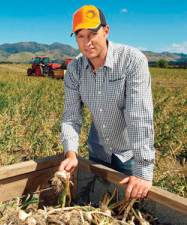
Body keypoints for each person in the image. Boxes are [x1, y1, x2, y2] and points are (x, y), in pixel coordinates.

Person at [59, 5, 155, 199]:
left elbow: (138, 115)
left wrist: (143, 168)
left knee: (127, 204)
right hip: (98, 150)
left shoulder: (132, 61)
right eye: (80, 36)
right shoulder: (74, 69)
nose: (87, 42)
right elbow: (71, 116)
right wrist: (71, 153)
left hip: (129, 153)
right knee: (98, 199)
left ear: (106, 31)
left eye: (93, 34)